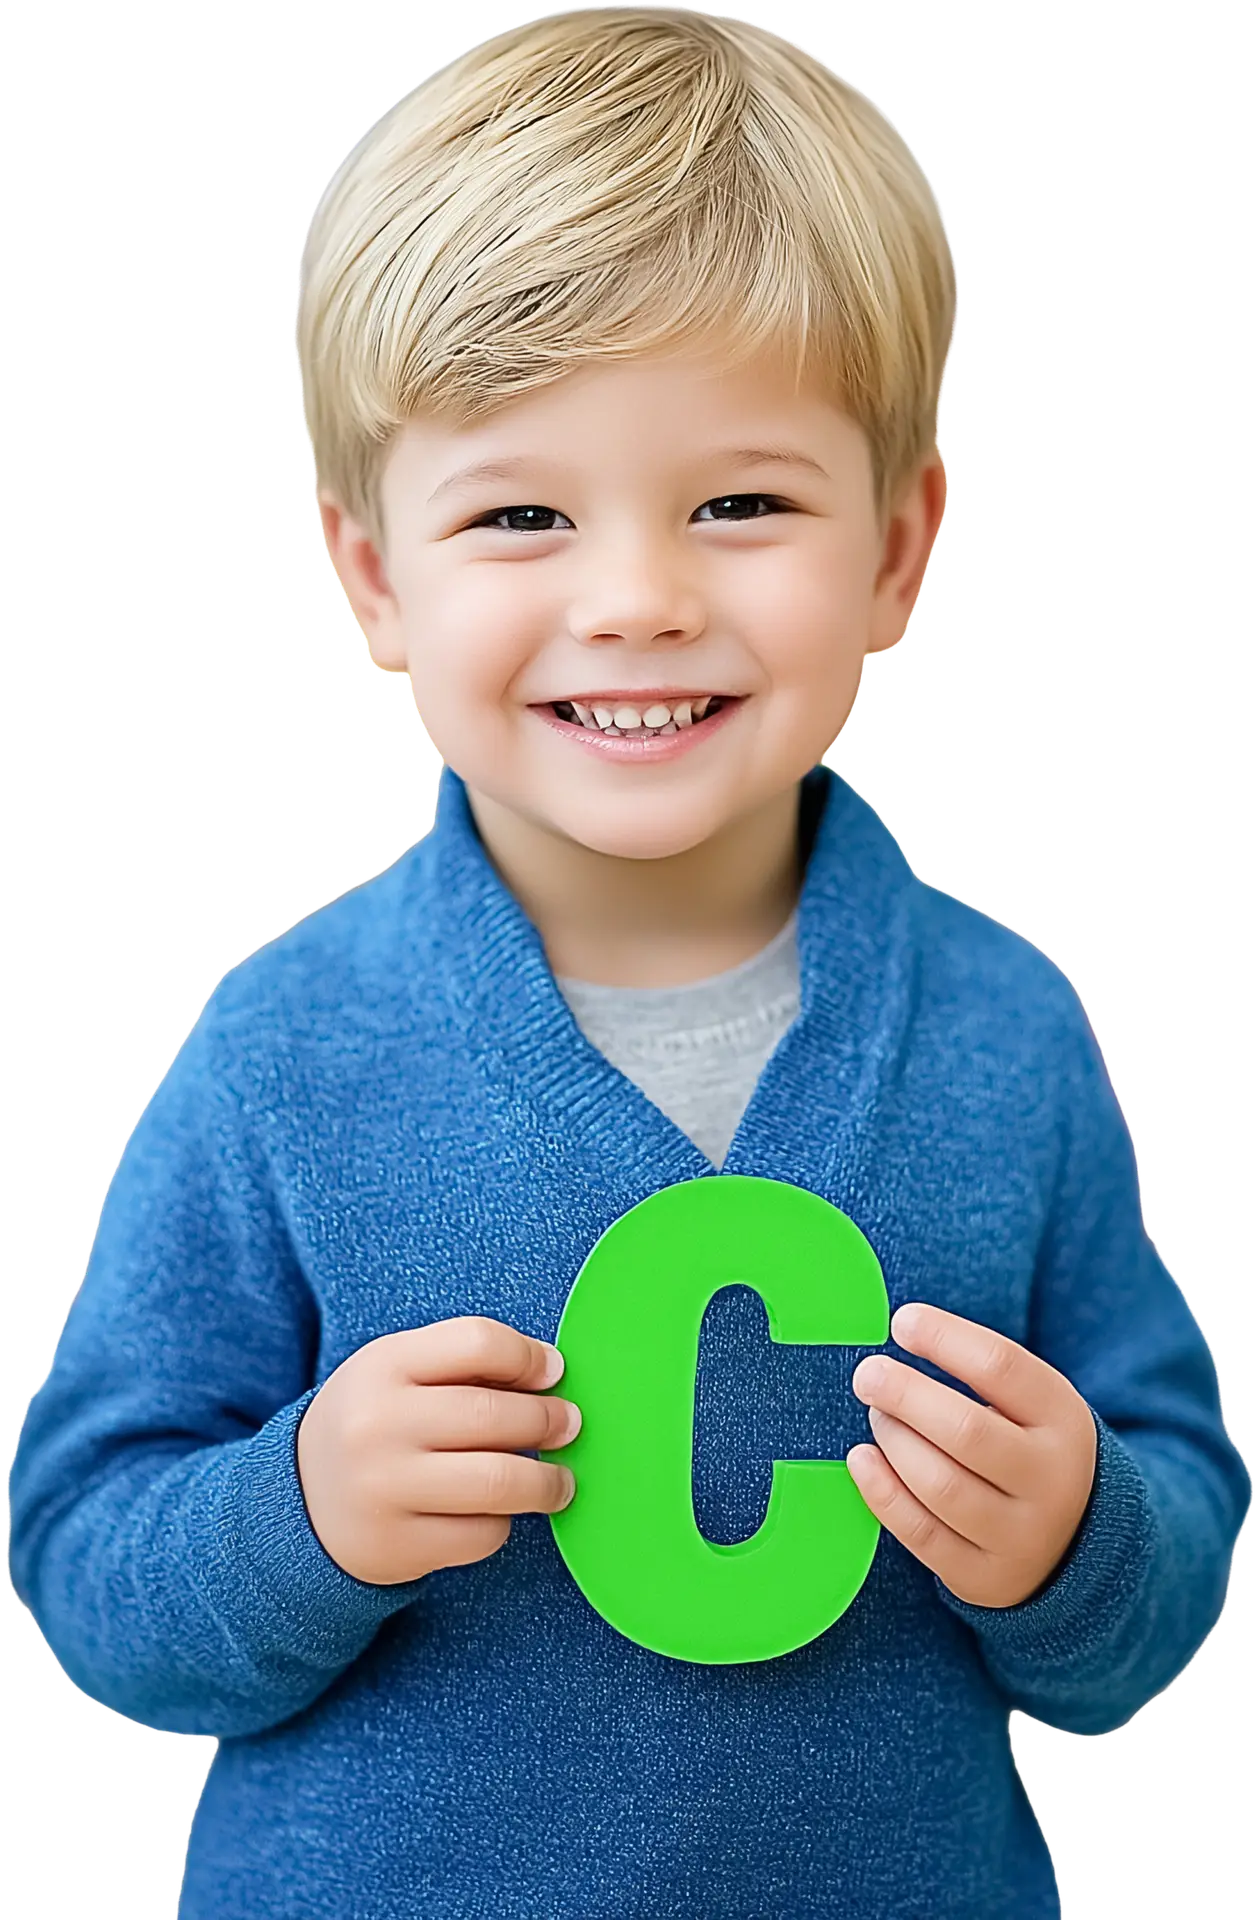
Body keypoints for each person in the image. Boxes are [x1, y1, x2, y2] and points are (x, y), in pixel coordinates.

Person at [9, 7, 1252, 1916]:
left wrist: (1078, 1535)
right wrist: (298, 1513)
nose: (638, 598)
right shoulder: (285, 1048)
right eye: (520, 513)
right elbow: (92, 1570)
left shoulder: (1004, 1029)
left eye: (739, 503)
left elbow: (1159, 1553)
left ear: (898, 551)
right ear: (375, 577)